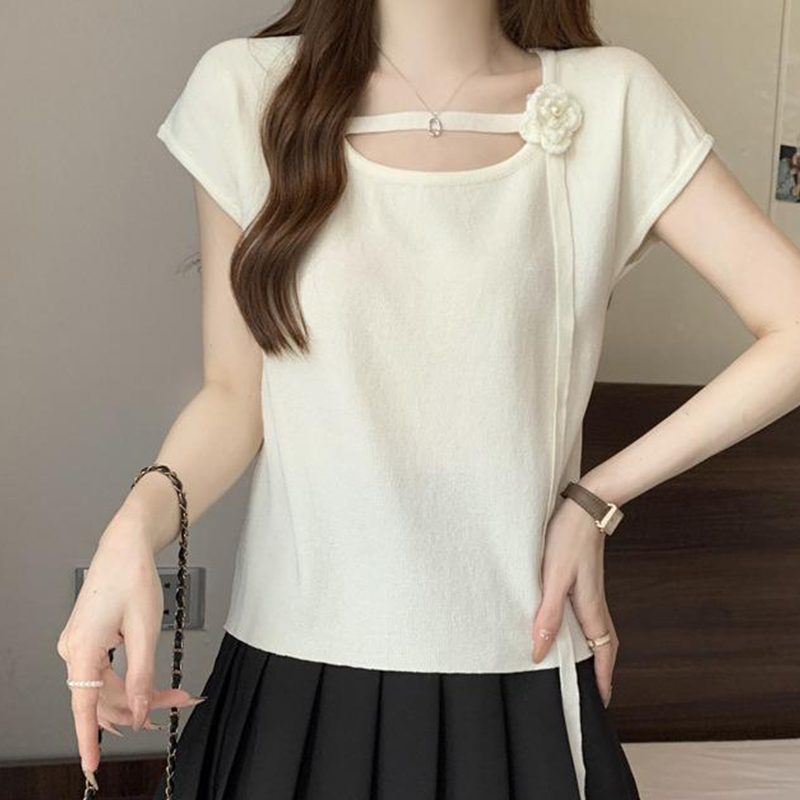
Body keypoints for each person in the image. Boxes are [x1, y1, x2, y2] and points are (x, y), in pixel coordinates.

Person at [58, 1, 800, 798]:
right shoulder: (246, 89)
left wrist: (596, 500)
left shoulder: (612, 100)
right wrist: (131, 530)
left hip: (517, 668)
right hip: (292, 672)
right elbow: (236, 397)